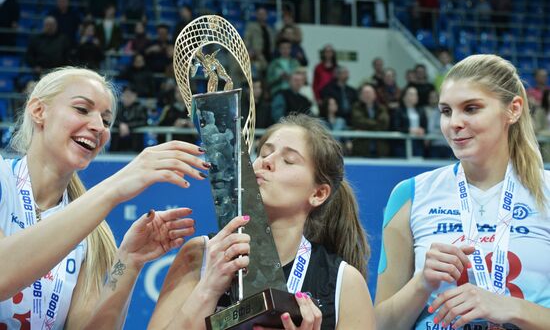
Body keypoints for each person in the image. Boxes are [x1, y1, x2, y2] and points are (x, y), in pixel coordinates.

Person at [0, 67, 208, 328]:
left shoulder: (92, 234)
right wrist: (115, 187)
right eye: (82, 109)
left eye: (107, 121)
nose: (98, 126)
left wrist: (128, 262)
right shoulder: (3, 181)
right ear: (39, 111)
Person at [148, 114, 376, 330]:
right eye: (264, 152)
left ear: (318, 194)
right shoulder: (201, 255)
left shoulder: (344, 283)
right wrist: (207, 290)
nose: (266, 161)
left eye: (288, 160)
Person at [375, 54, 550, 329]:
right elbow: (378, 326)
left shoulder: (547, 192)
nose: (454, 123)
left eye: (471, 108)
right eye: (446, 111)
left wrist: (512, 308)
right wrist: (421, 283)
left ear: (513, 109)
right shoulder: (410, 195)